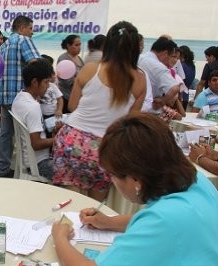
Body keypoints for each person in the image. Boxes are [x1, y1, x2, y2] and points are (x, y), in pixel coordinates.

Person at [52, 112, 218, 266]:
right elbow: (160, 224)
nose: (111, 180)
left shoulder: (164, 221)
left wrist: (60, 238)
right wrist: (109, 222)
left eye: (112, 175)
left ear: (135, 179)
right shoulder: (196, 180)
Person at [53, 21, 146, 202]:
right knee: (93, 209)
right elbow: (131, 122)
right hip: (106, 149)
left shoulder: (90, 69)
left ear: (108, 45)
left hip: (73, 140)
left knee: (70, 204)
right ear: (136, 48)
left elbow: (72, 106)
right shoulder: (140, 80)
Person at [0, 15, 41, 178]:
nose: (31, 33)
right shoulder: (23, 40)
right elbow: (36, 63)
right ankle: (28, 171)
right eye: (30, 29)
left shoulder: (3, 46)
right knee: (26, 137)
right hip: (21, 98)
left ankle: (2, 171)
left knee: (5, 134)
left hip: (5, 96)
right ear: (21, 28)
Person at [12, 59, 55, 179]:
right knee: (75, 174)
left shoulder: (19, 97)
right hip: (39, 163)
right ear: (35, 82)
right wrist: (58, 139)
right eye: (46, 82)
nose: (48, 87)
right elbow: (36, 143)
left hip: (27, 159)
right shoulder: (33, 106)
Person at [138, 36, 181, 112]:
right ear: (165, 54)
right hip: (149, 112)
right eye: (171, 56)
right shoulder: (159, 67)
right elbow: (175, 88)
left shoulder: (138, 58)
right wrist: (163, 100)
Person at [57, 34, 84, 114]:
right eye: (76, 45)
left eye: (80, 45)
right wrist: (79, 79)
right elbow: (66, 81)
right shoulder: (63, 58)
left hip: (78, 96)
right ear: (68, 46)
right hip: (66, 97)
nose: (79, 47)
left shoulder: (79, 58)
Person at [40, 54, 64, 136]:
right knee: (43, 133)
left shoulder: (53, 86)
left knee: (53, 132)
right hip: (41, 115)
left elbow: (60, 99)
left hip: (53, 114)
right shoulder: (38, 87)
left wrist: (59, 110)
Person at [179, 45, 196, 110]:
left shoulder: (181, 66)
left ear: (182, 55)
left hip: (181, 96)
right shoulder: (192, 66)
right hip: (186, 95)